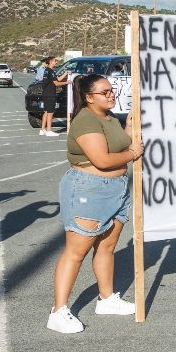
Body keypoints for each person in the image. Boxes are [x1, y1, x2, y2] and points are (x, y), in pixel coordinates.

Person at [47, 74, 144, 334]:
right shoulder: (85, 120)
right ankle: (58, 311)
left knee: (107, 246)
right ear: (88, 97)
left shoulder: (110, 118)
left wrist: (129, 129)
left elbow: (117, 144)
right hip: (89, 189)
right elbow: (102, 159)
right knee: (77, 250)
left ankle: (107, 299)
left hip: (117, 189)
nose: (111, 94)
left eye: (112, 90)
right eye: (104, 92)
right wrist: (133, 153)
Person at [40, 56, 69, 137]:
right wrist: (67, 82)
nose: (56, 62)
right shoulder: (50, 71)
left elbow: (58, 79)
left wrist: (65, 73)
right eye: (55, 61)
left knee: (46, 111)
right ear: (51, 62)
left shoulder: (47, 70)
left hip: (45, 93)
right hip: (50, 94)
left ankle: (42, 129)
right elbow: (56, 83)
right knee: (50, 112)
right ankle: (49, 130)